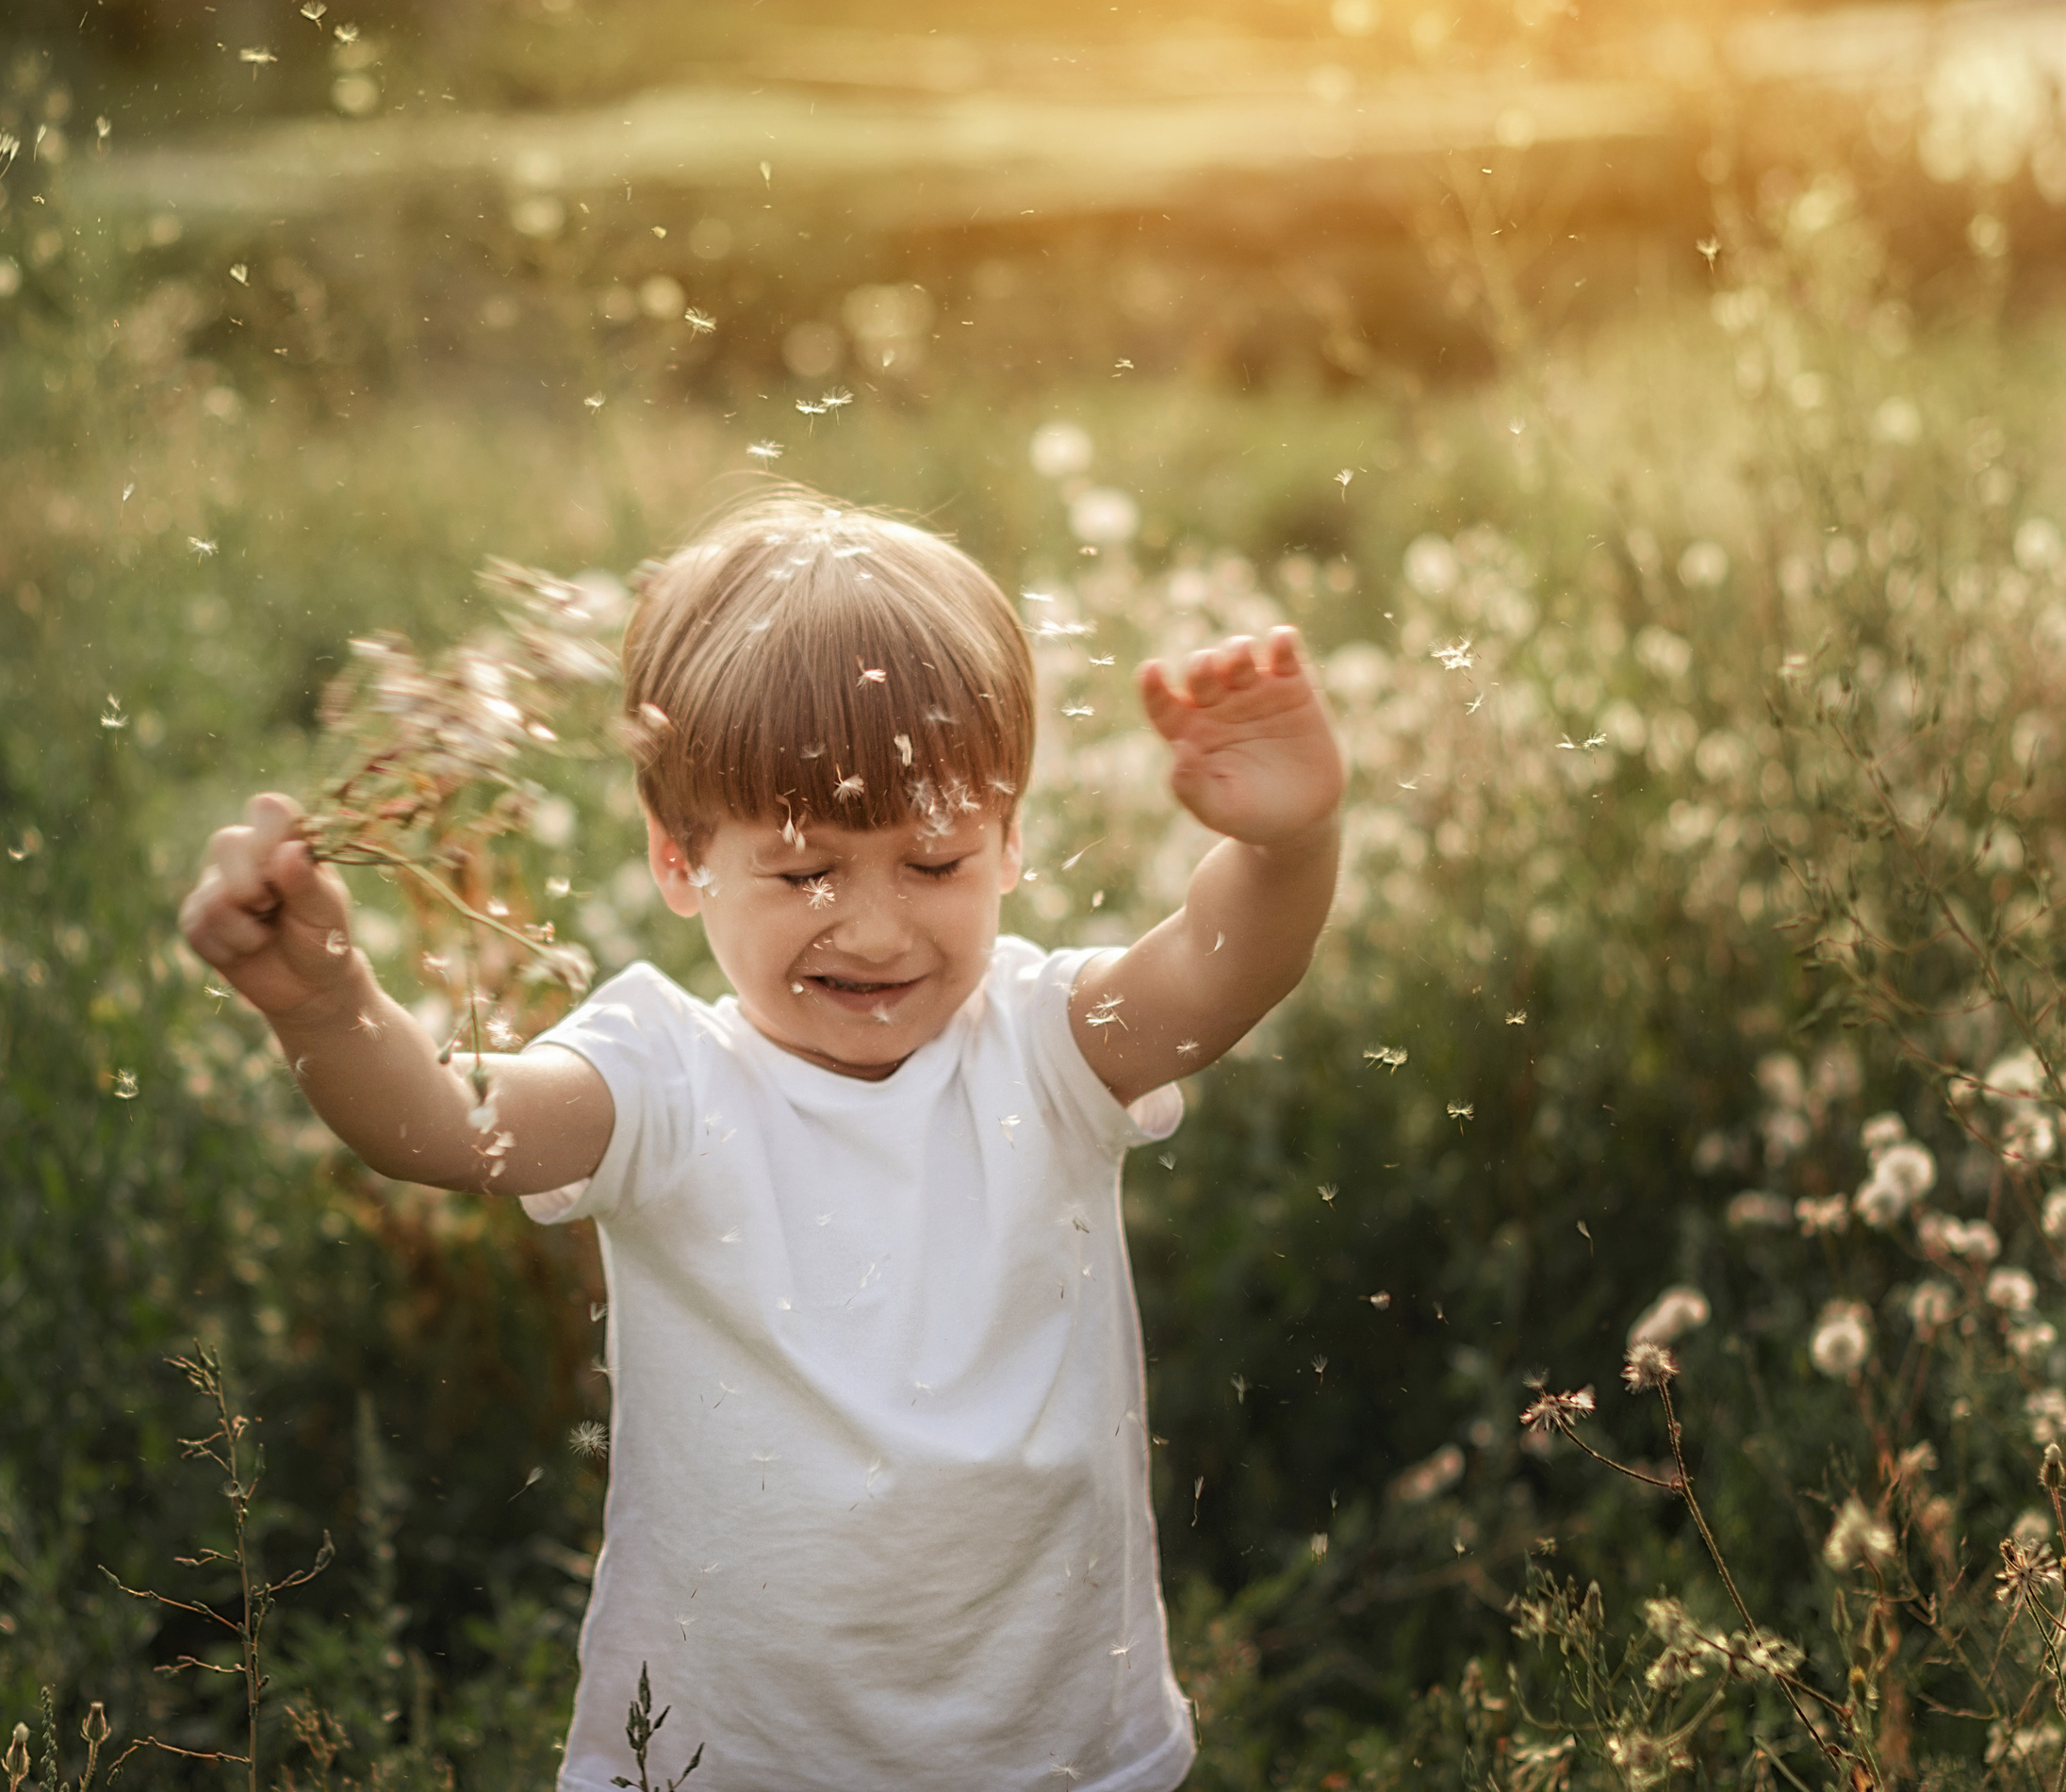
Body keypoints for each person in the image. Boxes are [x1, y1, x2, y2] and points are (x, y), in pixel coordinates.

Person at [179, 490, 1346, 1790]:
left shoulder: (1049, 1046)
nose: (876, 927)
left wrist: (1289, 844)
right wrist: (332, 1006)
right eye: (804, 873)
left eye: (934, 859)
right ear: (682, 861)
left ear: (1011, 838)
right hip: (729, 1759)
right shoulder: (664, 1081)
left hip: (1054, 1751)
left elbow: (1221, 972)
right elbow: (456, 1128)